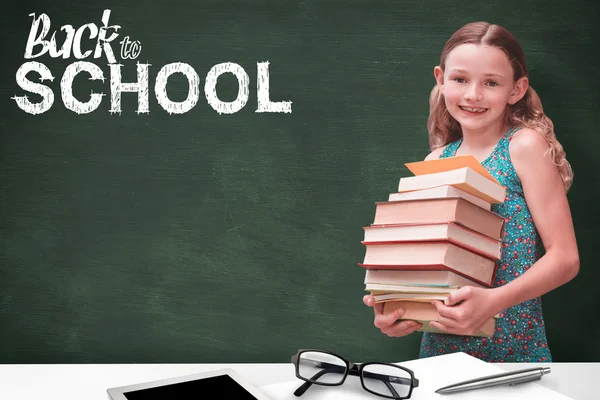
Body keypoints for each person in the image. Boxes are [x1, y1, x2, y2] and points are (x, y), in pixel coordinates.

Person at [363, 21, 580, 362]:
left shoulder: (524, 147)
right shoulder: (436, 160)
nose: (473, 95)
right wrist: (396, 307)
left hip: (513, 352)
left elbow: (565, 259)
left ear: (516, 89)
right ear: (440, 78)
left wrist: (494, 302)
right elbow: (426, 263)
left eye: (491, 83)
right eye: (460, 79)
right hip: (441, 355)